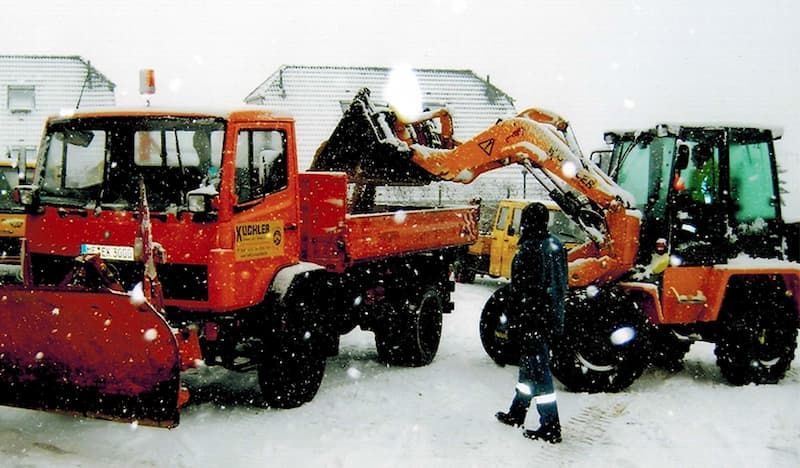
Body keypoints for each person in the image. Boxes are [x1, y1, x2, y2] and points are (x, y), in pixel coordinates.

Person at [494, 201, 568, 444]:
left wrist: (516, 321)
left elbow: (524, 291)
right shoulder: (556, 245)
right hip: (552, 316)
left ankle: (550, 425)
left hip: (535, 320)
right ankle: (517, 412)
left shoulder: (531, 250)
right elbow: (559, 284)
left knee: (539, 372)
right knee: (529, 368)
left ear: (526, 222)